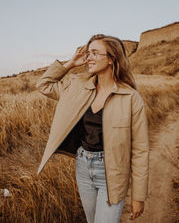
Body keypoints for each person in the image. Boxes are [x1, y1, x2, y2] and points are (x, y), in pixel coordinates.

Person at [36, 34, 149, 223]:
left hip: (112, 172)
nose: (89, 58)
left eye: (95, 53)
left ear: (112, 59)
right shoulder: (77, 86)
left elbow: (140, 150)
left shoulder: (131, 97)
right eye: (88, 53)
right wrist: (71, 63)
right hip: (83, 166)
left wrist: (138, 196)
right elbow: (43, 85)